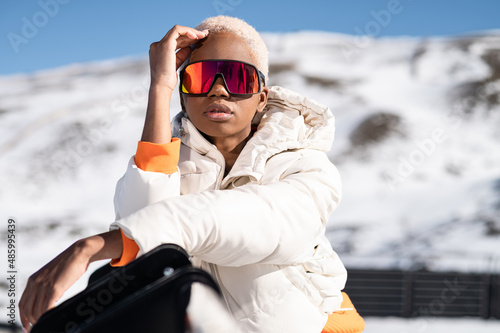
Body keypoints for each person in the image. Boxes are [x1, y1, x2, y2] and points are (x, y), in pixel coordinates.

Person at [19, 16, 348, 332]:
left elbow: (261, 222)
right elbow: (146, 248)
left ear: (261, 98)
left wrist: (94, 246)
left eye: (236, 77)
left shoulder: (306, 166)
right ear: (184, 94)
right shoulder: (171, 160)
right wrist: (161, 85)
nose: (218, 91)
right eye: (201, 77)